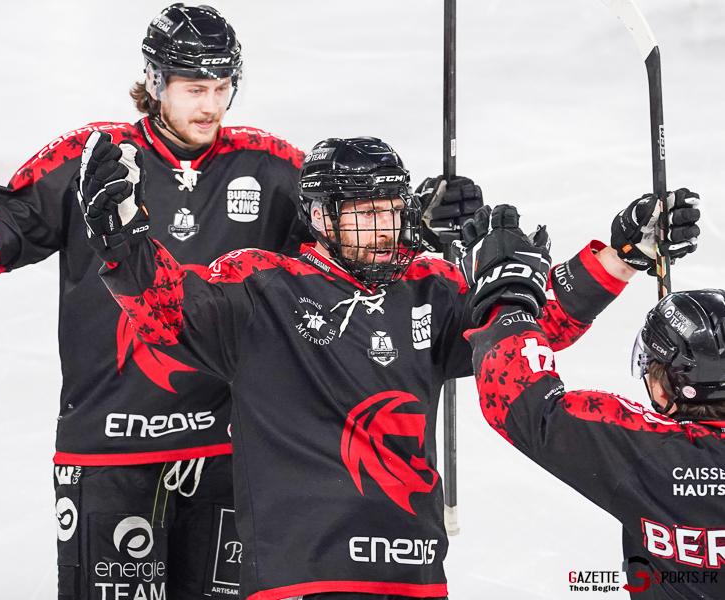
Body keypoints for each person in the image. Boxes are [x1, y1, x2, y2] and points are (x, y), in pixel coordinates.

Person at [0, 5, 317, 600]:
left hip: (231, 452)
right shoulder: (93, 158)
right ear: (156, 82)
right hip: (110, 454)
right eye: (195, 89)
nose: (211, 106)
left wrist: (422, 225)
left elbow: (353, 246)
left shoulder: (271, 168)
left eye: (222, 88)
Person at [75, 130, 662, 600]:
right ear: (321, 217)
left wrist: (624, 255)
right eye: (363, 212)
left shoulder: (431, 286)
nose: (383, 229)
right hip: (300, 575)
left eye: (390, 210)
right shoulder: (262, 287)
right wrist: (123, 248)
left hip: (412, 573)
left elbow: (534, 322)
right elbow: (166, 309)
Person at [463, 199, 721, 599]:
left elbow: (526, 405)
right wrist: (621, 259)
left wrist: (506, 291)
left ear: (664, 386)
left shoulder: (653, 452)